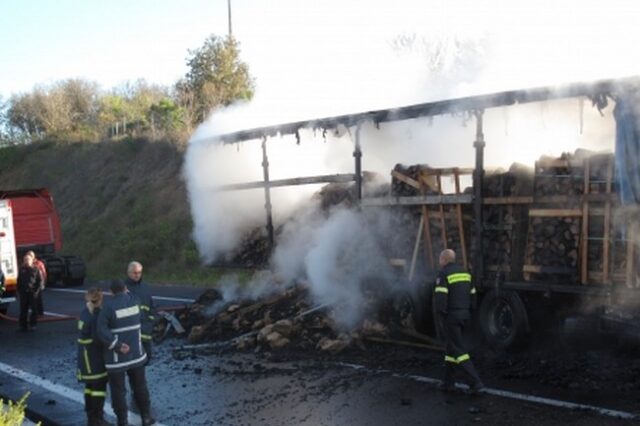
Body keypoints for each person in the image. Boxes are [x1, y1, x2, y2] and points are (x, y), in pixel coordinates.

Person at [97, 279, 155, 426]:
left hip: (116, 359)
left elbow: (101, 331)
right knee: (140, 387)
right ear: (126, 289)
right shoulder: (135, 301)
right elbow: (143, 318)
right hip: (137, 355)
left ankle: (122, 421)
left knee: (118, 391)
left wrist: (117, 345)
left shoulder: (108, 307)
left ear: (111, 292)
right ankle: (146, 418)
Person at [433, 249, 484, 394]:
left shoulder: (443, 274)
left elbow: (441, 298)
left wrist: (441, 315)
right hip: (465, 315)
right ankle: (448, 383)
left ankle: (476, 383)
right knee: (451, 349)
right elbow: (473, 295)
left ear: (444, 259)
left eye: (440, 259)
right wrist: (469, 311)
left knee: (458, 350)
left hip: (451, 316)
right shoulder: (466, 273)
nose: (439, 262)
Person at [77, 287, 109, 425]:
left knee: (89, 387)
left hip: (85, 358)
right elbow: (99, 338)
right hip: (94, 359)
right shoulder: (96, 316)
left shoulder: (84, 312)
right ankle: (97, 419)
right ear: (100, 299)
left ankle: (91, 416)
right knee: (99, 389)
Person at [124, 261, 155, 362]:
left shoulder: (145, 287)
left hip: (145, 330)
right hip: (131, 332)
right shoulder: (124, 288)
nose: (137, 275)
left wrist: (151, 321)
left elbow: (151, 306)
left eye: (139, 272)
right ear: (128, 273)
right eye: (135, 273)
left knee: (147, 358)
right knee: (133, 362)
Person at [17, 253, 42, 331]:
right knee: (23, 310)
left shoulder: (36, 269)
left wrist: (36, 291)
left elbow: (39, 281)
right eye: (25, 260)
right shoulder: (21, 269)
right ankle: (23, 326)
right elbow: (19, 281)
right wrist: (19, 291)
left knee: (34, 310)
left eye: (28, 260)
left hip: (32, 293)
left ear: (32, 261)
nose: (26, 261)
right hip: (24, 293)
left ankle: (33, 325)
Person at [26, 250, 47, 315]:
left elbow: (44, 273)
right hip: (31, 285)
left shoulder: (38, 263)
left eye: (30, 256)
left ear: (33, 256)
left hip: (38, 284)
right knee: (32, 299)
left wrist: (43, 283)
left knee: (38, 298)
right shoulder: (28, 264)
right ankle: (36, 312)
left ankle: (40, 312)